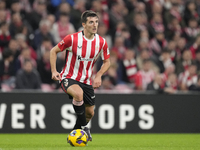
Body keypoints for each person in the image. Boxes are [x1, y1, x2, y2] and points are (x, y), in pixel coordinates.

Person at [50, 10, 110, 141]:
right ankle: (85, 129)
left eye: (96, 22)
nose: (95, 25)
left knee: (89, 114)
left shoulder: (101, 42)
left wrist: (99, 75)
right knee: (78, 94)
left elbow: (107, 61)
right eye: (91, 22)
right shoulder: (72, 39)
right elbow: (53, 51)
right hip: (68, 77)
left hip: (87, 80)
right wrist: (54, 71)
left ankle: (74, 134)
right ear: (84, 24)